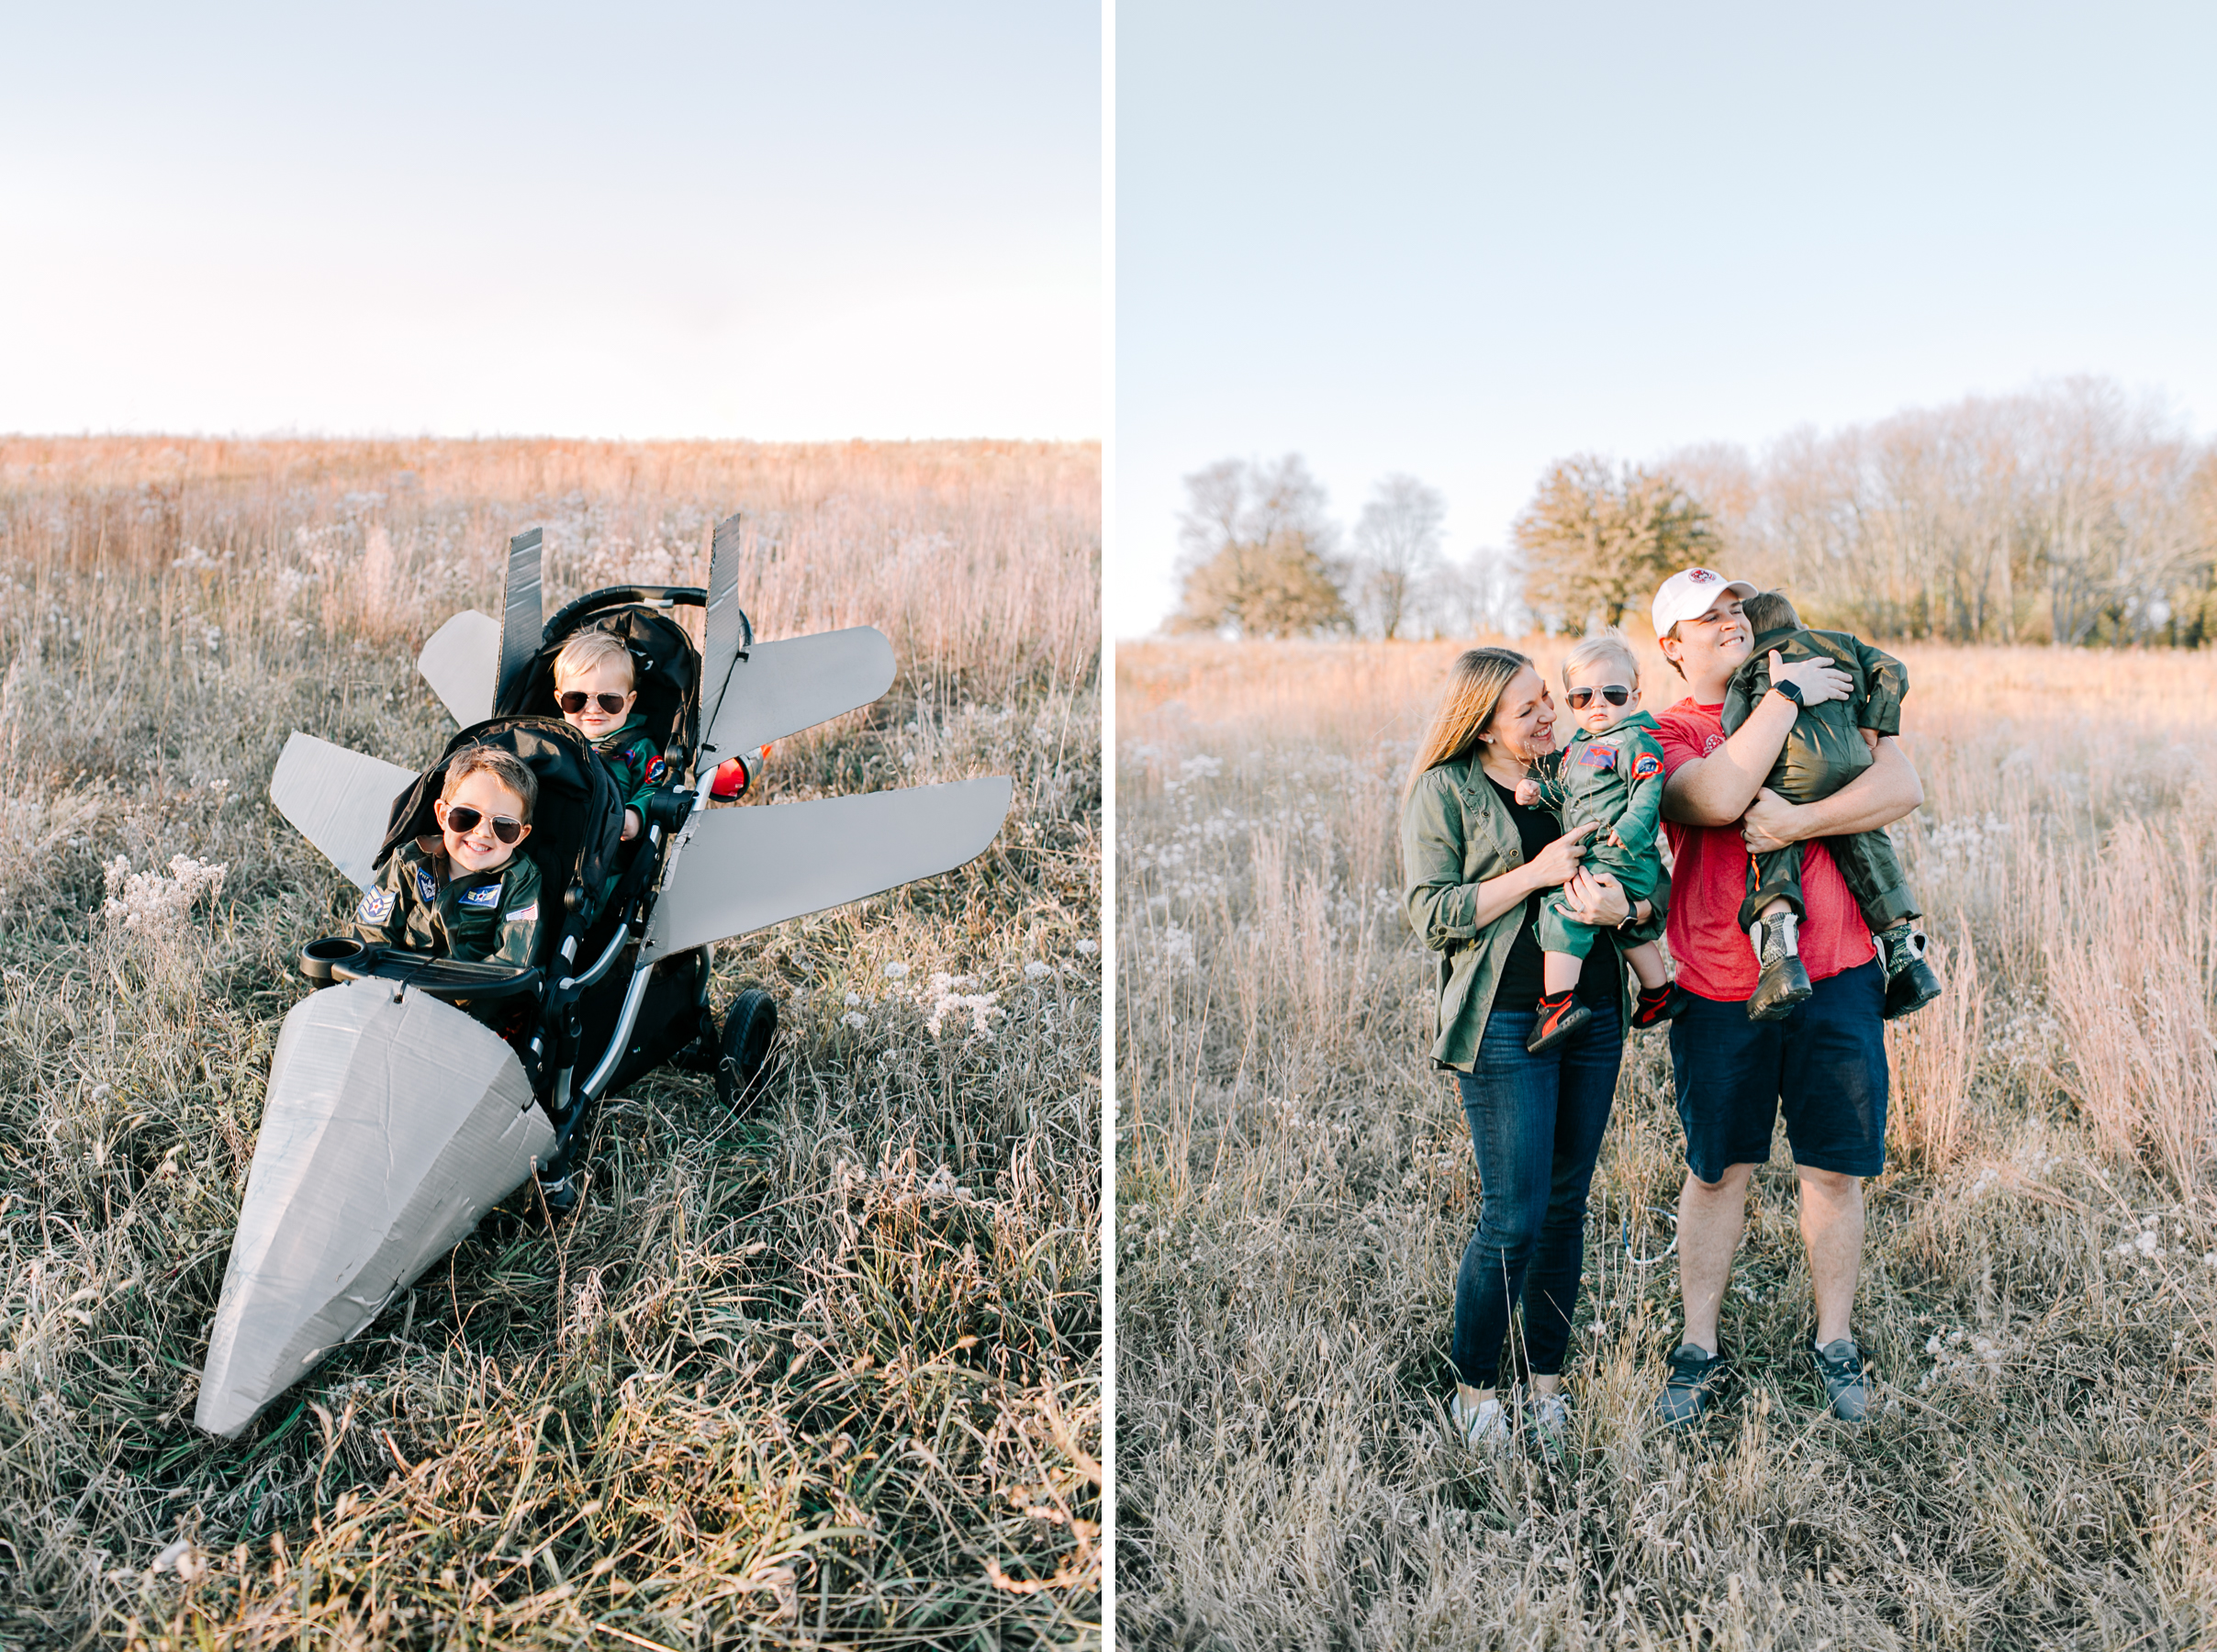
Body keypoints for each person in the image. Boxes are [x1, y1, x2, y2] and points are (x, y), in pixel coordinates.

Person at [1645, 566, 1925, 1426]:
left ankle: (1834, 1341)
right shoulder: (1663, 731)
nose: (1729, 622)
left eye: (1736, 609)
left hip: (1835, 973)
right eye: (1707, 618)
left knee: (1834, 1170)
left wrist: (1799, 822)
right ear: (1672, 646)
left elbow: (1899, 786)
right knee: (1718, 1168)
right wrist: (1785, 695)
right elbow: (1721, 795)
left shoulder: (1821, 700)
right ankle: (1697, 1347)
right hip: (1719, 985)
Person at [1402, 647, 1663, 1457]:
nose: (1550, 713)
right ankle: (1477, 1391)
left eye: (1547, 698)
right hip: (1505, 1022)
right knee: (1511, 1217)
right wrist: (1535, 872)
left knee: (1564, 1207)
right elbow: (1430, 913)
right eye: (1528, 708)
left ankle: (1544, 1385)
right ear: (1481, 723)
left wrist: (1629, 910)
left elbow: (1642, 871)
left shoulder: (1584, 765)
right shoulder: (1443, 791)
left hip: (1591, 1011)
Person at [1721, 589, 1943, 1021]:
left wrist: (1746, 770)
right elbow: (1894, 670)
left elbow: (1735, 728)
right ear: (1798, 622)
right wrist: (1872, 729)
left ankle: (1780, 957)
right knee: (1862, 831)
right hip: (1854, 764)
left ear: (1751, 632)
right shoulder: (1841, 643)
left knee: (1771, 835)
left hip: (1792, 769)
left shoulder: (1755, 663)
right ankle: (1905, 956)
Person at [1513, 632, 1687, 1053]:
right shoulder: (1577, 748)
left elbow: (1648, 790)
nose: (1598, 704)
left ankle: (1557, 1004)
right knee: (1624, 931)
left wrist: (1628, 828)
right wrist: (1541, 796)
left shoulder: (1635, 741)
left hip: (1620, 853)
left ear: (1634, 696)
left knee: (1564, 909)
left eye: (1612, 693)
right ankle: (1658, 992)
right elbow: (1571, 796)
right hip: (1600, 850)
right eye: (1581, 696)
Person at [352, 745, 543, 1004]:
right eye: (467, 816)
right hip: (395, 995)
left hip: (469, 1008)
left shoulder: (518, 881)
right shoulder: (410, 862)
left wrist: (453, 1001)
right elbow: (372, 932)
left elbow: (512, 962)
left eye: (504, 826)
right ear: (443, 815)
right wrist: (380, 988)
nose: (483, 832)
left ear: (521, 835)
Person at [552, 629, 666, 843]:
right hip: (555, 840)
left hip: (609, 850)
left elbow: (653, 787)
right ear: (560, 700)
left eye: (608, 699)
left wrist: (635, 815)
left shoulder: (639, 747)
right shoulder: (552, 741)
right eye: (577, 698)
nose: (593, 709)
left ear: (630, 701)